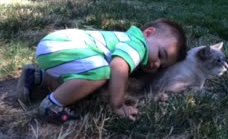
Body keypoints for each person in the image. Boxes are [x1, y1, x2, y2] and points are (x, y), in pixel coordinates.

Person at [16, 18, 187, 124]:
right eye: (160, 54)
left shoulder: (128, 39)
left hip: (55, 45)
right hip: (61, 45)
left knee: (84, 77)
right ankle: (52, 105)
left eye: (162, 66)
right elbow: (118, 67)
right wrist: (118, 105)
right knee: (100, 72)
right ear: (148, 33)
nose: (156, 64)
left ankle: (38, 77)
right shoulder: (138, 44)